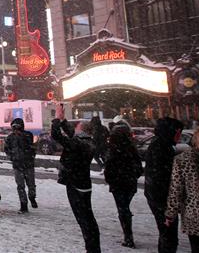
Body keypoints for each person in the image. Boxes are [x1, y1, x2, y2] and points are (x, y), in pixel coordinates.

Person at [52, 107, 100, 253]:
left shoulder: (78, 144)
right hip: (83, 183)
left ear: (82, 130)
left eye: (78, 126)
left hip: (75, 184)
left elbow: (56, 135)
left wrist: (56, 119)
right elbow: (72, 134)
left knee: (84, 219)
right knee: (87, 217)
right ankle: (93, 246)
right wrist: (63, 119)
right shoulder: (87, 142)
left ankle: (92, 248)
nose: (76, 128)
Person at [165, 125, 199, 253]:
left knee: (198, 248)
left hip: (194, 213)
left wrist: (170, 214)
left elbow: (176, 190)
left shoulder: (182, 160)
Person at [144, 117, 184, 253]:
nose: (179, 135)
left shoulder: (161, 144)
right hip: (161, 198)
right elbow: (161, 177)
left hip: (158, 196)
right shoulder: (161, 147)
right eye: (178, 132)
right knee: (169, 236)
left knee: (167, 235)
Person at [103, 122, 143, 248]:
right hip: (129, 183)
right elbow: (138, 168)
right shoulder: (131, 149)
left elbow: (108, 168)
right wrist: (132, 176)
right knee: (124, 207)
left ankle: (128, 235)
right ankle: (128, 232)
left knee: (122, 208)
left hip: (118, 183)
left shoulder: (113, 150)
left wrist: (111, 179)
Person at [4, 117, 37, 213]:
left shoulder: (28, 135)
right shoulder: (10, 138)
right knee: (20, 186)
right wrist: (12, 157)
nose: (15, 130)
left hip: (28, 164)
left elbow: (31, 147)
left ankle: (32, 197)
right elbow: (6, 149)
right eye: (13, 127)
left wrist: (21, 136)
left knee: (31, 184)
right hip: (17, 165)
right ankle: (23, 205)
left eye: (17, 127)